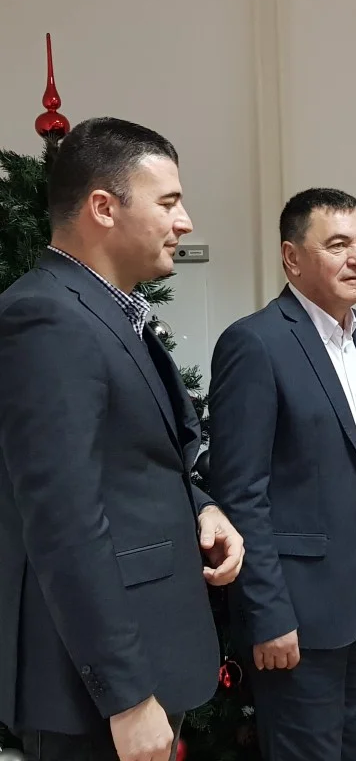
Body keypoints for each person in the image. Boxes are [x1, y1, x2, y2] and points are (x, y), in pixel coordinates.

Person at [0, 117, 243, 761]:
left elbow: (132, 460)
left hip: (148, 653)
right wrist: (127, 697)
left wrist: (202, 507)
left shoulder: (107, 310)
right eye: (168, 202)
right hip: (92, 692)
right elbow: (62, 521)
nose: (184, 221)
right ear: (104, 208)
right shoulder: (48, 317)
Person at [209, 188, 356, 761]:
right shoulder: (256, 343)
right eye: (338, 245)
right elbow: (240, 494)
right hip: (297, 613)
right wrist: (267, 614)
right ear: (292, 258)